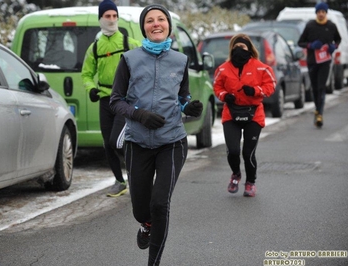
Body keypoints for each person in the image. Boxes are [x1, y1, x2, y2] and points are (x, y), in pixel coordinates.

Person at [110, 4, 203, 265]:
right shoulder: (129, 59)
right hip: (137, 142)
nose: (156, 24)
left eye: (161, 19)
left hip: (172, 141)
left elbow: (182, 96)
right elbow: (115, 101)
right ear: (144, 28)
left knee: (160, 203)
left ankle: (154, 262)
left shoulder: (180, 60)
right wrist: (139, 115)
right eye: (150, 21)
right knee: (142, 209)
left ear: (168, 26)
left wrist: (189, 106)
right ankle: (145, 223)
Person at [81, 0, 140, 197]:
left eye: (115, 16)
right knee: (107, 143)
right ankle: (119, 181)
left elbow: (144, 64)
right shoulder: (95, 47)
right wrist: (90, 88)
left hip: (124, 100)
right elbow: (87, 73)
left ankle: (136, 174)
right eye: (108, 16)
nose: (112, 20)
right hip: (105, 100)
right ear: (101, 19)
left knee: (117, 141)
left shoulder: (128, 43)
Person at [213, 33, 276, 197]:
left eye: (242, 47)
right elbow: (217, 87)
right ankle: (235, 174)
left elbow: (270, 86)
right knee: (233, 151)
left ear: (249, 49)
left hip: (253, 114)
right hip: (231, 113)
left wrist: (255, 91)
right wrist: (225, 96)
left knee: (248, 153)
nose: (239, 50)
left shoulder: (261, 68)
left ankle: (250, 182)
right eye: (236, 47)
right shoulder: (223, 69)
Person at [297, 2, 341, 128]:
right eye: (319, 12)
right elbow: (300, 42)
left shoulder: (331, 26)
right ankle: (317, 108)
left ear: (326, 13)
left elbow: (338, 39)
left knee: (321, 87)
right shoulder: (310, 25)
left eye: (323, 12)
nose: (321, 14)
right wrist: (310, 45)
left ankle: (320, 114)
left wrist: (334, 46)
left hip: (325, 62)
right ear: (316, 13)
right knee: (315, 88)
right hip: (312, 61)